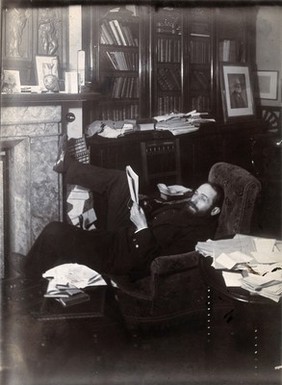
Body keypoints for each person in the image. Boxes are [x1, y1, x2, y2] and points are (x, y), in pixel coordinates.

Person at [5, 136, 223, 306]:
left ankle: (27, 278)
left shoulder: (198, 235)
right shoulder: (189, 209)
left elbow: (157, 259)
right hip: (127, 234)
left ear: (214, 211)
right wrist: (147, 206)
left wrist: (142, 227)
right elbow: (165, 217)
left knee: (54, 231)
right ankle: (68, 166)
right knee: (121, 181)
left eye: (202, 199)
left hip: (125, 257)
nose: (195, 199)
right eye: (196, 193)